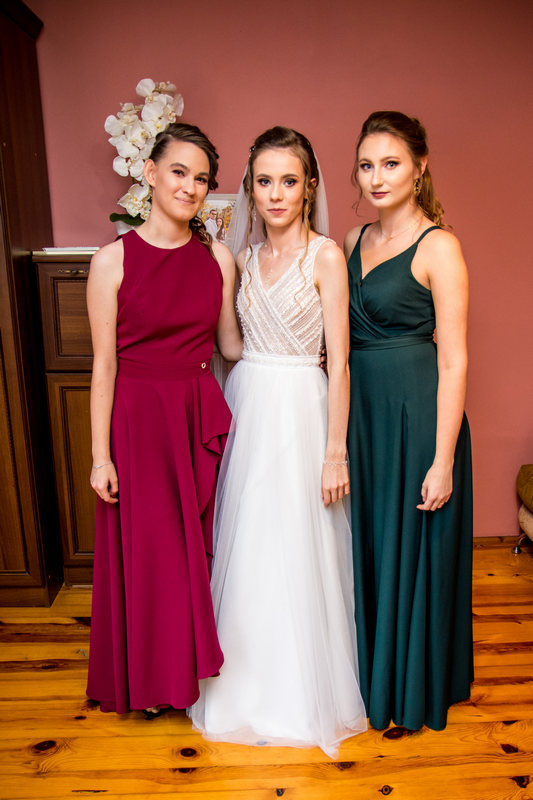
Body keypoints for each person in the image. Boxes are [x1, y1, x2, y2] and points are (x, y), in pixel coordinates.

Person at [189, 126, 367, 757]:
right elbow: (231, 347)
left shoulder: (326, 257)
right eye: (263, 181)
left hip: (302, 409)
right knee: (251, 545)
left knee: (300, 543)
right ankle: (244, 685)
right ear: (249, 188)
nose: (275, 194)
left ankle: (301, 691)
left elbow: (340, 362)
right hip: (251, 405)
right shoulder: (239, 259)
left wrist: (335, 452)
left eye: (289, 181)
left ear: (309, 187)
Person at [86, 122, 242, 717]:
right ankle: (152, 685)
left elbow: (229, 346)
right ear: (150, 173)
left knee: (190, 552)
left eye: (201, 179)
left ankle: (180, 675)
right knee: (151, 554)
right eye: (179, 172)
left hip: (195, 413)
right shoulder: (111, 260)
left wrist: (302, 351)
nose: (189, 187)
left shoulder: (218, 258)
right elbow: (103, 365)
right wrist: (100, 457)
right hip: (138, 422)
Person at [344, 111, 473, 731]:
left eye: (390, 163)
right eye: (366, 165)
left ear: (419, 168)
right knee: (368, 545)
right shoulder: (351, 240)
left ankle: (411, 689)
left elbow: (455, 360)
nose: (377, 177)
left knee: (413, 551)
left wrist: (443, 459)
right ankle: (369, 678)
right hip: (362, 420)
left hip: (417, 418)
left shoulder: (439, 246)